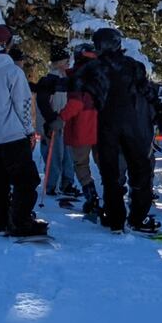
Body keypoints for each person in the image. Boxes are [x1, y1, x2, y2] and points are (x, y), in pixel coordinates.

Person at [76, 27, 162, 234]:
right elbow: (148, 91)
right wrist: (159, 111)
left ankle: (115, 219)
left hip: (107, 124)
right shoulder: (133, 66)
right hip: (132, 124)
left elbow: (76, 85)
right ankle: (137, 218)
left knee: (111, 174)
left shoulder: (92, 69)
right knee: (140, 170)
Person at [0, 25, 47, 237]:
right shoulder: (12, 71)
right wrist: (29, 131)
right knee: (26, 180)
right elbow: (23, 104)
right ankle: (20, 222)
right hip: (12, 135)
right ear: (7, 44)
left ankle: (0, 221)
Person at [59, 42, 100, 217]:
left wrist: (60, 117)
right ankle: (113, 195)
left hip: (82, 125)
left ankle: (92, 197)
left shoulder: (77, 76)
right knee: (104, 162)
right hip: (102, 125)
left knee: (81, 163)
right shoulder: (102, 73)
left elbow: (75, 104)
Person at [36, 45, 79, 198]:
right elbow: (43, 104)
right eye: (66, 61)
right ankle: (51, 184)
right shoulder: (48, 80)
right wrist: (50, 120)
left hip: (64, 123)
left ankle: (67, 183)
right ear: (59, 62)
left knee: (68, 155)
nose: (68, 64)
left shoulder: (66, 80)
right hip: (52, 125)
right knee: (54, 156)